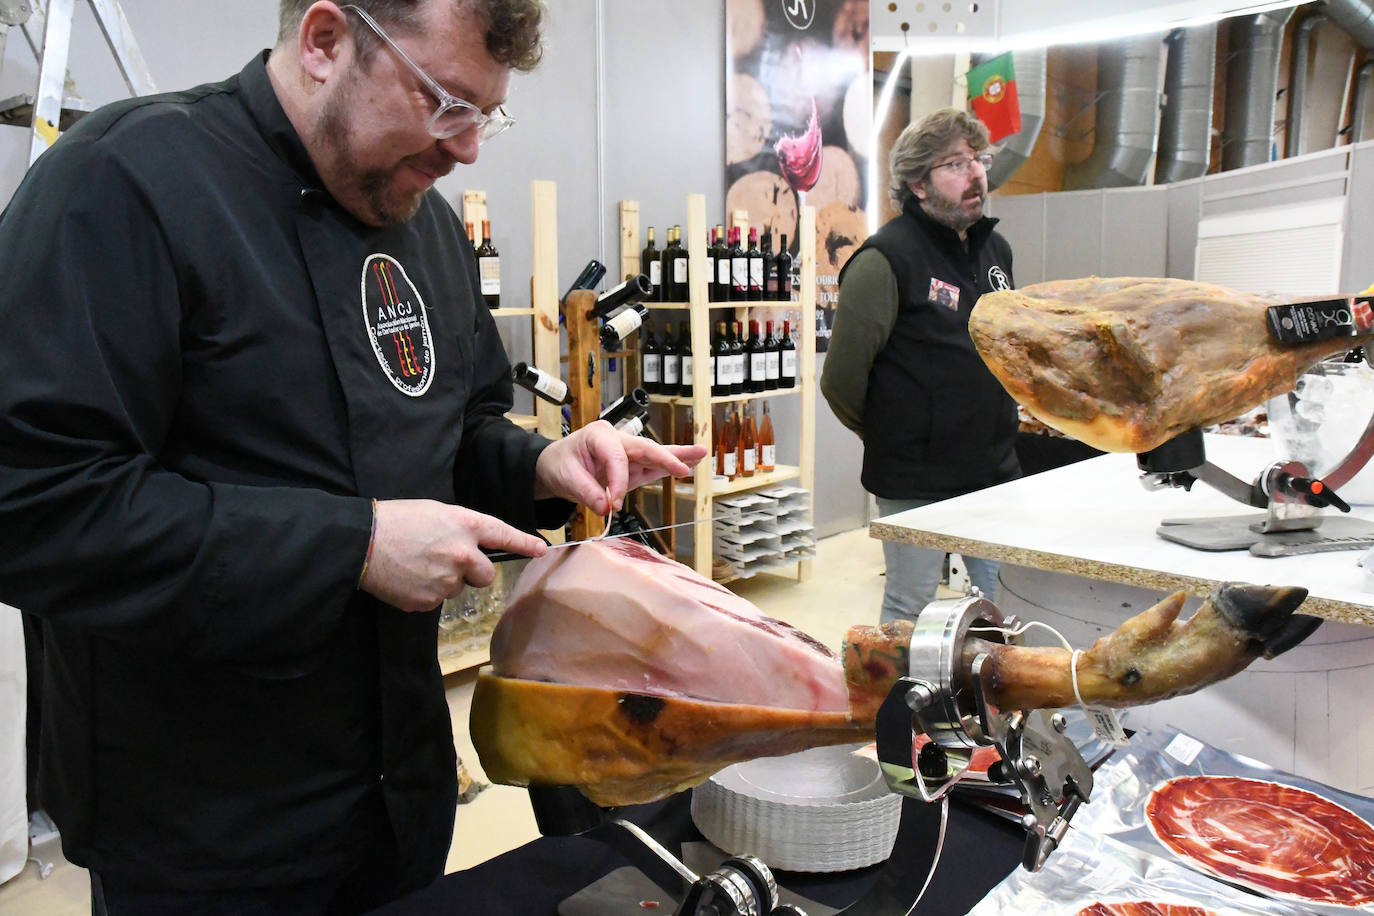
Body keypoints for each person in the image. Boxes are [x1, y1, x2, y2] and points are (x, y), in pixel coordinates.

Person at [0, 1, 705, 912]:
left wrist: (536, 464)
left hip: (398, 801)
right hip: (204, 828)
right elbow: (34, 501)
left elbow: (454, 432)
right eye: (446, 102)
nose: (467, 150)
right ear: (326, 41)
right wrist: (353, 546)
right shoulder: (123, 184)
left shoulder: (429, 230)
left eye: (485, 114)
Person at [820, 108, 1020, 624]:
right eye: (955, 164)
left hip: (993, 469)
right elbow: (842, 382)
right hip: (916, 478)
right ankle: (892, 705)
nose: (975, 173)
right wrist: (904, 433)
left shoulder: (996, 251)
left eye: (978, 159)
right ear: (918, 185)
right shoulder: (883, 260)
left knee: (1001, 605)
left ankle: (989, 703)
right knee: (911, 608)